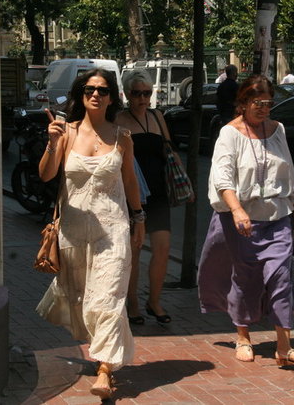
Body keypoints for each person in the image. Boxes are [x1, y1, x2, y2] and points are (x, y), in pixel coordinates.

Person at [36, 68, 145, 400]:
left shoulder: (122, 137)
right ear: (80, 95)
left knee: (107, 299)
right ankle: (104, 355)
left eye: (102, 90)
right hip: (73, 234)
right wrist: (52, 143)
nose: (95, 94)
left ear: (112, 97)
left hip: (113, 231)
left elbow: (129, 181)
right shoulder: (66, 132)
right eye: (88, 89)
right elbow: (46, 175)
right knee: (87, 301)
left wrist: (139, 218)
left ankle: (104, 371)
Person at [198, 74, 294, 367]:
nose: (264, 109)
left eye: (268, 103)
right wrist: (237, 210)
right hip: (243, 221)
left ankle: (284, 347)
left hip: (278, 216)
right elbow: (222, 178)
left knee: (281, 278)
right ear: (244, 102)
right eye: (258, 103)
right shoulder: (229, 133)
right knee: (245, 278)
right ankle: (243, 337)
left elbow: (288, 173)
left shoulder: (277, 130)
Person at [116, 69, 188, 326]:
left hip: (158, 193)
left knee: (163, 247)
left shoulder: (157, 117)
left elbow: (169, 149)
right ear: (127, 94)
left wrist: (184, 182)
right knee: (133, 251)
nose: (143, 99)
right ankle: (133, 303)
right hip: (132, 195)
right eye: (137, 94)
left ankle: (154, 301)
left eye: (147, 93)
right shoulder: (119, 120)